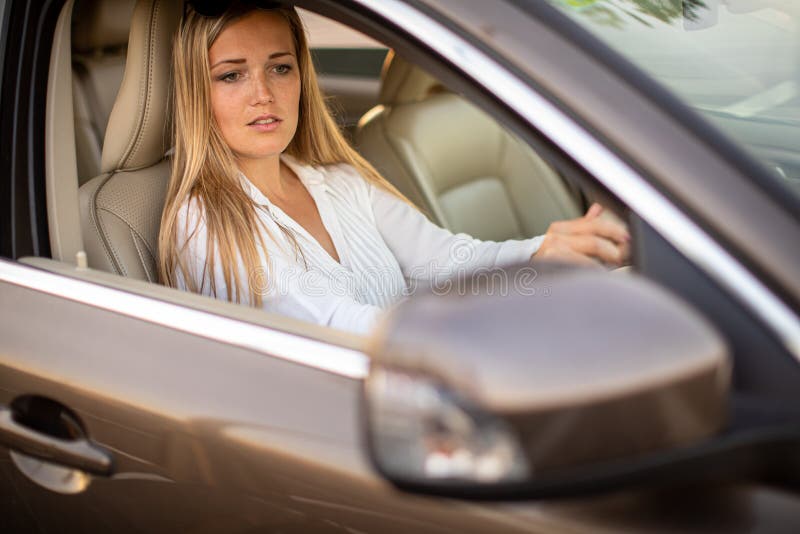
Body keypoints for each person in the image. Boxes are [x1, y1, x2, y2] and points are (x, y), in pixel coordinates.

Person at [158, 3, 630, 335]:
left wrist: (542, 255)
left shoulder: (339, 181)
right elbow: (336, 327)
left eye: (280, 68)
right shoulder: (202, 220)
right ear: (197, 92)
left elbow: (445, 260)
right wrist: (506, 306)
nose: (263, 93)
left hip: (422, 381)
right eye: (231, 75)